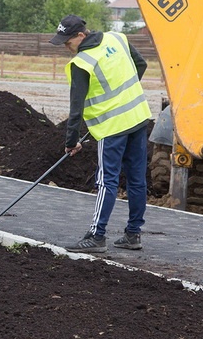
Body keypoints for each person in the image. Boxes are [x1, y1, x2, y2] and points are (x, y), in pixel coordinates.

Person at [51, 15, 152, 253]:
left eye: (68, 42)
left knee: (106, 181)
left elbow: (75, 109)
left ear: (81, 35)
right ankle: (133, 235)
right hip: (138, 118)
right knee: (137, 180)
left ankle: (97, 236)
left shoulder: (82, 63)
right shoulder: (117, 39)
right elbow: (142, 65)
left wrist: (71, 141)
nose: (66, 47)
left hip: (112, 128)